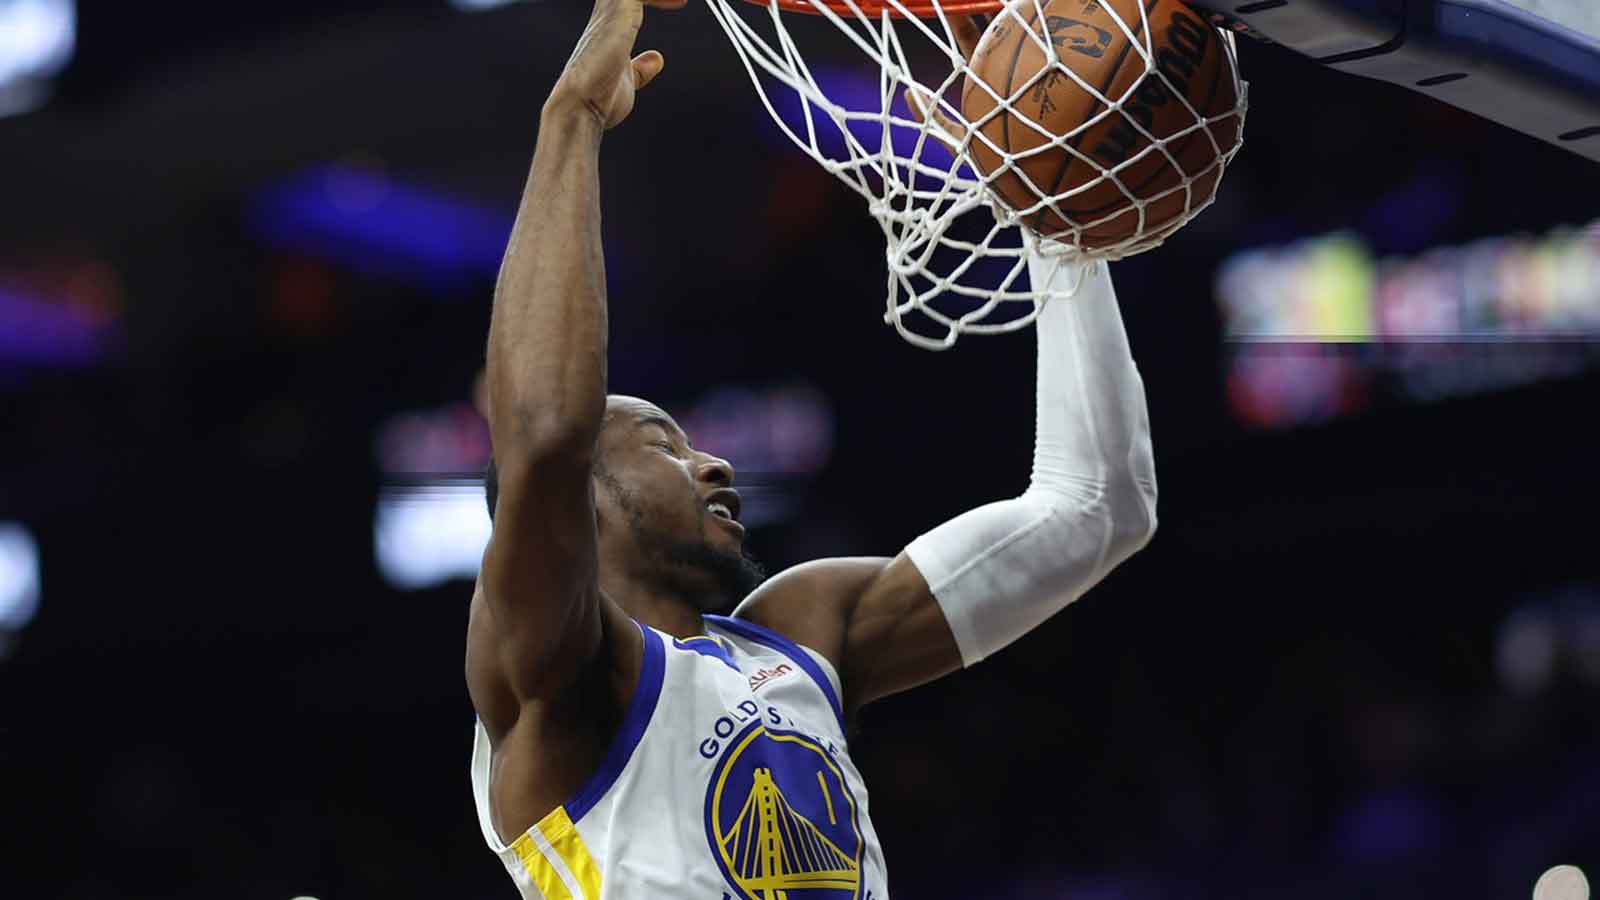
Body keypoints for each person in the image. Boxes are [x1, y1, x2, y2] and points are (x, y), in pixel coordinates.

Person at [465, 0, 1158, 896]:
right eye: (661, 446)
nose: (712, 464)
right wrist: (574, 121)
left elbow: (1099, 506)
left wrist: (1055, 214)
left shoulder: (800, 632)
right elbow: (546, 436)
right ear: (581, 507)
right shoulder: (556, 676)